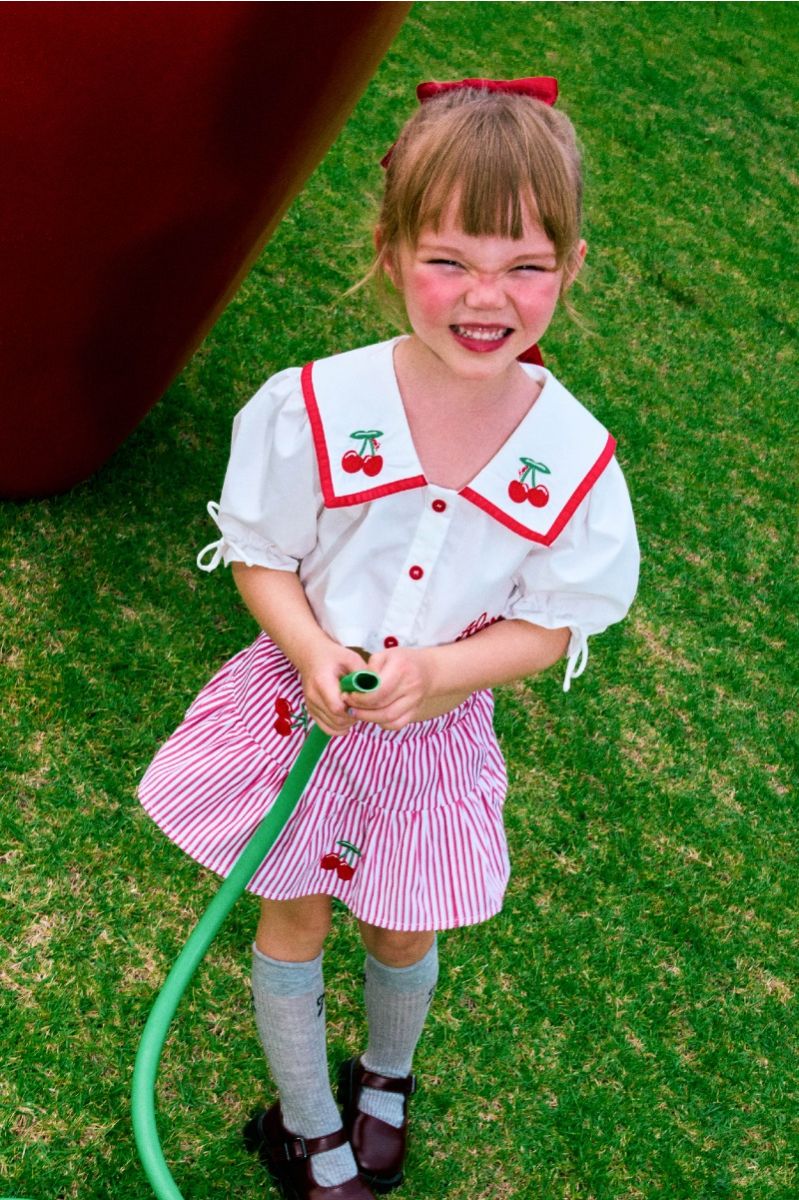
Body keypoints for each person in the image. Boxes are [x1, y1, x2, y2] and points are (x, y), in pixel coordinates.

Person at [138, 75, 639, 1200]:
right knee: (294, 911)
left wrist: (444, 673)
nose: (484, 298)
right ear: (390, 243)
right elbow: (261, 554)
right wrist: (314, 651)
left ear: (572, 265)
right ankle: (311, 1126)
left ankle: (386, 1079)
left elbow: (557, 624)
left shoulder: (572, 456)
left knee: (406, 926)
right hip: (294, 717)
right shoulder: (315, 406)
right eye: (449, 259)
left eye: (526, 267)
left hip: (430, 743)